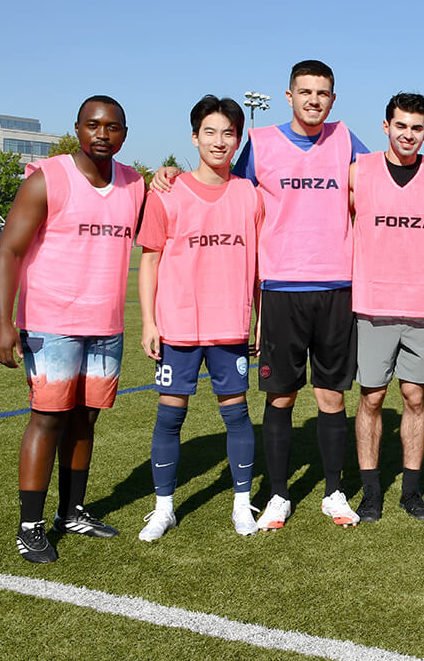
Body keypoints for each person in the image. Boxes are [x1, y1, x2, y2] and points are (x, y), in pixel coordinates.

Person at [151, 61, 424, 532]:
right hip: (280, 288)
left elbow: (391, 166)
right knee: (281, 399)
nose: (314, 100)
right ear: (288, 95)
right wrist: (170, 172)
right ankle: (277, 496)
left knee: (331, 397)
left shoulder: (344, 139)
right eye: (305, 91)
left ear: (333, 100)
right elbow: (226, 183)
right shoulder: (262, 143)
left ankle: (334, 492)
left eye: (323, 93)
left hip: (337, 287)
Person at [0, 95, 145, 563]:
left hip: (106, 324)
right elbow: (9, 253)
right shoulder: (47, 179)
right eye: (93, 125)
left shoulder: (135, 183)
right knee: (48, 417)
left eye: (113, 126)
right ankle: (30, 526)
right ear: (77, 129)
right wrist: (3, 325)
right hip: (51, 322)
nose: (103, 134)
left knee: (85, 418)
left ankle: (71, 512)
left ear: (124, 133)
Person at [136, 96, 264, 541]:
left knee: (237, 415)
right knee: (170, 417)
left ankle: (241, 504)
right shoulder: (167, 192)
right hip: (179, 326)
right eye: (209, 132)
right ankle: (164, 508)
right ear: (194, 137)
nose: (219, 141)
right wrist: (150, 323)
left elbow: (259, 268)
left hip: (229, 325)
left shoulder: (250, 194)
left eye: (228, 133)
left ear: (238, 139)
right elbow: (150, 261)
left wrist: (260, 320)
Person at [352, 93, 424, 522]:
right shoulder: (360, 171)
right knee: (372, 398)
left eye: (416, 128)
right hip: (373, 305)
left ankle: (411, 492)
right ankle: (371, 491)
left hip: (421, 307)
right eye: (401, 125)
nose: (408, 134)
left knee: (415, 397)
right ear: (385, 126)